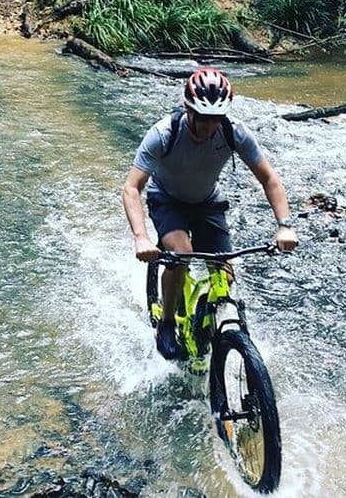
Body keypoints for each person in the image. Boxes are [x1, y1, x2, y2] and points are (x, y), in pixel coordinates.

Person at [122, 68, 299, 360]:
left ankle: (214, 330)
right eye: (202, 119)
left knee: (225, 273)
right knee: (182, 254)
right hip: (167, 200)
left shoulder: (234, 132)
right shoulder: (164, 133)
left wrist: (285, 225)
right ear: (188, 109)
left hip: (207, 202)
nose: (208, 127)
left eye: (215, 120)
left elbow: (269, 179)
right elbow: (131, 188)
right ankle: (167, 323)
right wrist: (141, 238)